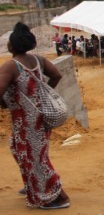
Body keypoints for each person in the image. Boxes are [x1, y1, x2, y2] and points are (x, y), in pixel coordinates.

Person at [0, 22, 71, 209]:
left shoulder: (11, 66)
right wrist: (42, 95)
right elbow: (56, 75)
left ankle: (58, 196)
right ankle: (32, 182)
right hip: (40, 118)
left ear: (12, 46)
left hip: (26, 121)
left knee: (36, 158)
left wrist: (5, 104)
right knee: (17, 147)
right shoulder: (38, 61)